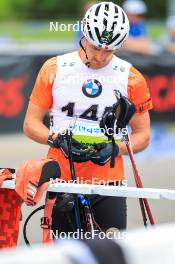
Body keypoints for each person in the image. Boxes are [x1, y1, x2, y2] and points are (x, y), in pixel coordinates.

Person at [23, 1, 152, 238]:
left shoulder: (131, 77)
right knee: (68, 254)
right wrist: (55, 139)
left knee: (110, 253)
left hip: (109, 184)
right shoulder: (54, 68)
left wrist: (115, 149)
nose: (101, 56)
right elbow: (30, 125)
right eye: (95, 46)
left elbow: (143, 136)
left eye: (110, 51)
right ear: (83, 34)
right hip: (62, 179)